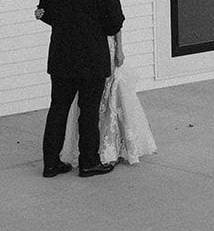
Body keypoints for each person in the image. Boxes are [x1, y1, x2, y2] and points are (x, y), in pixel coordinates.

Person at [36, 0, 124, 178]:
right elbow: (114, 23)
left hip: (61, 54)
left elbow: (45, 14)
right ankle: (88, 162)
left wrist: (65, 26)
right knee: (89, 110)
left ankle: (51, 164)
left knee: (58, 109)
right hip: (92, 57)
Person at [62, 23, 157, 167]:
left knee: (111, 93)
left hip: (107, 46)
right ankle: (92, 148)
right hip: (90, 46)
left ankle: (113, 145)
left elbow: (116, 20)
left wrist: (119, 49)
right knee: (92, 98)